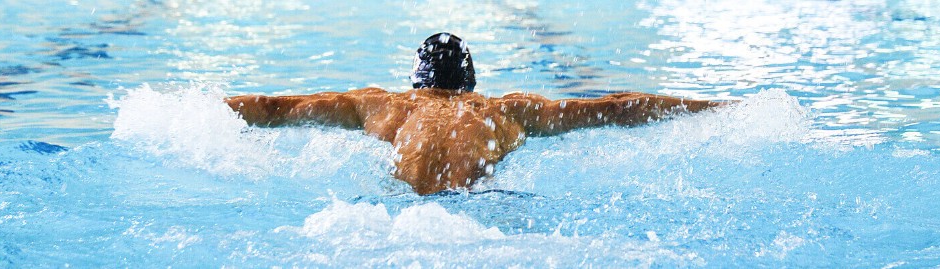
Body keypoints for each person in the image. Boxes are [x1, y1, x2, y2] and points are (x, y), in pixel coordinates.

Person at [226, 33, 728, 195]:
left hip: (391, 221)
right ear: (471, 82)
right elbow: (617, 110)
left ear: (416, 80)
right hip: (478, 218)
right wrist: (720, 110)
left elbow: (276, 108)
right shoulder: (507, 110)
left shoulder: (381, 106)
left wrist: (176, 109)